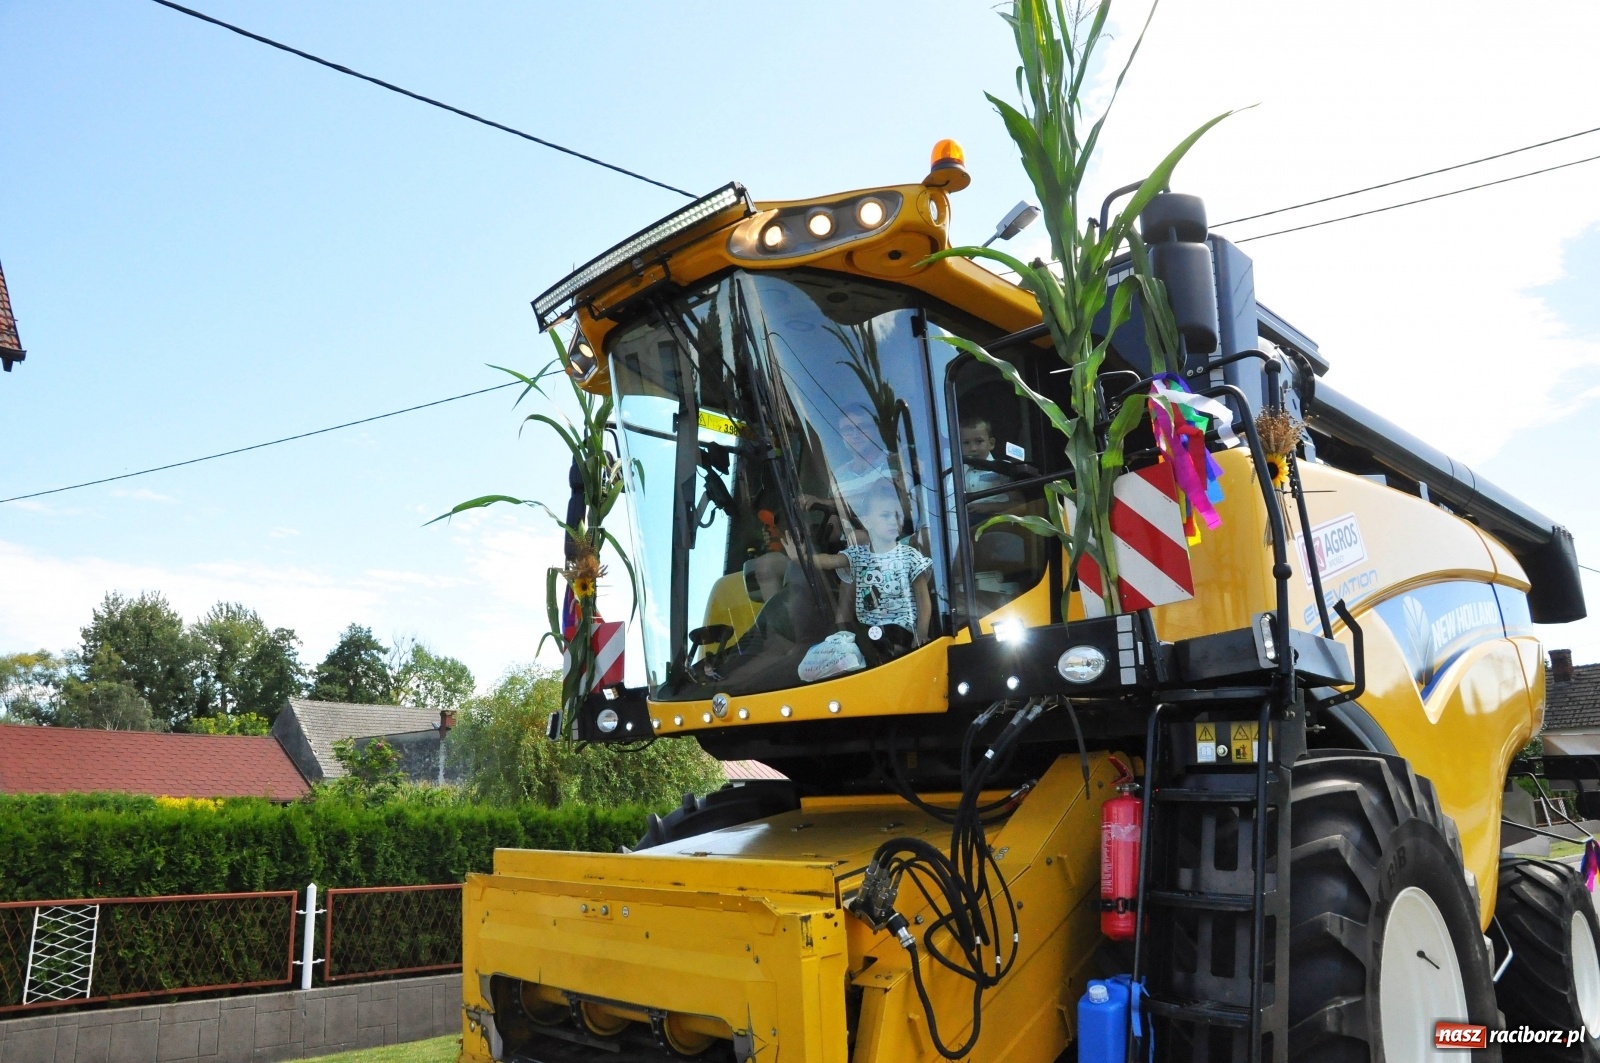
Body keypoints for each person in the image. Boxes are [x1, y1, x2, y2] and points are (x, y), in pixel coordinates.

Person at [813, 479, 933, 649]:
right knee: (847, 642)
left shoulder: (910, 556)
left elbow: (923, 598)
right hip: (868, 631)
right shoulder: (858, 555)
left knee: (886, 646)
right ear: (867, 522)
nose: (893, 521)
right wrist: (801, 556)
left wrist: (921, 634)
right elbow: (829, 561)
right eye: (885, 515)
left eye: (897, 515)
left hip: (901, 630)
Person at [959, 416, 1017, 512]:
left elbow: (1018, 504)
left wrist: (986, 507)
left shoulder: (1003, 468)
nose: (973, 448)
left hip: (996, 519)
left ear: (991, 443)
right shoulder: (956, 473)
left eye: (979, 441)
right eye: (966, 443)